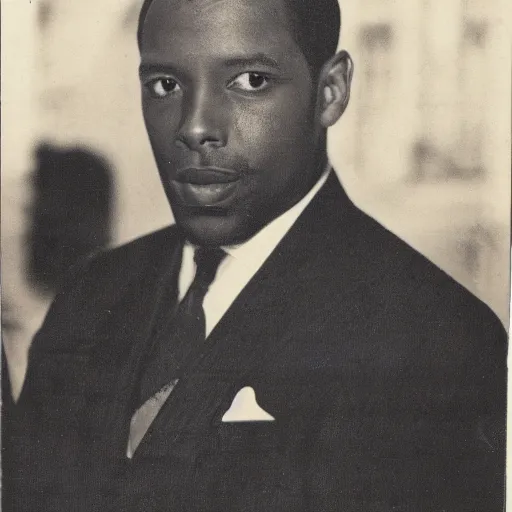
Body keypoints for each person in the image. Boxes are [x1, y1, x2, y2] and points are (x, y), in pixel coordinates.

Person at [5, 0, 507, 510]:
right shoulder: (93, 293)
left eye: (250, 81)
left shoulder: (438, 340)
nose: (195, 127)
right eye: (165, 85)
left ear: (331, 91)